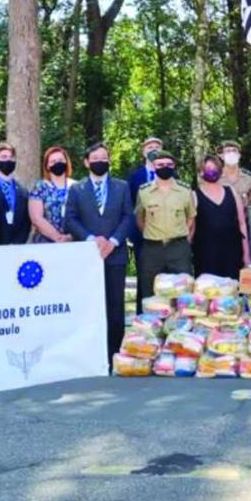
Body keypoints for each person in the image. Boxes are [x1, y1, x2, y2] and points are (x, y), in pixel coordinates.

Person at [64, 142, 136, 365]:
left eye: (104, 158)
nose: (99, 162)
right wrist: (90, 239)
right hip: (88, 257)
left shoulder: (121, 186)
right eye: (95, 158)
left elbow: (128, 217)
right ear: (86, 162)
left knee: (115, 307)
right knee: (90, 307)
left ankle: (114, 355)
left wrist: (113, 241)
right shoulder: (77, 189)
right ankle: (91, 355)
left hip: (115, 255)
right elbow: (71, 219)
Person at [134, 150, 195, 298]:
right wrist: (151, 234)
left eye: (169, 164)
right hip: (152, 248)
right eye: (160, 164)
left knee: (184, 292)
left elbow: (191, 218)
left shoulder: (185, 190)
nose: (165, 167)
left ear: (174, 166)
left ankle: (183, 321)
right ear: (154, 167)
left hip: (178, 247)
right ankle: (151, 321)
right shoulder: (144, 191)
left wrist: (185, 240)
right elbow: (140, 219)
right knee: (150, 291)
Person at [193, 153, 251, 279]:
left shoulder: (231, 191)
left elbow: (242, 223)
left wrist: (246, 256)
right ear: (201, 172)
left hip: (232, 252)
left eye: (215, 169)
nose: (212, 172)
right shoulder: (194, 196)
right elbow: (190, 227)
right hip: (206, 254)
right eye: (208, 169)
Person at [126, 136, 163, 311]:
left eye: (157, 146)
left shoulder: (172, 174)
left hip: (166, 235)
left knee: (166, 278)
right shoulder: (134, 177)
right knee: (144, 277)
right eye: (149, 146)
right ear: (143, 152)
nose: (153, 149)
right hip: (142, 236)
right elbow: (129, 206)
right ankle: (143, 318)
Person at [29, 146, 75, 244]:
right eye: (53, 161)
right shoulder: (40, 187)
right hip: (46, 243)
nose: (57, 163)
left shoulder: (76, 187)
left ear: (66, 162)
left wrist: (70, 237)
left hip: (73, 242)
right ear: (47, 166)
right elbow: (36, 218)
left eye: (60, 160)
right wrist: (58, 238)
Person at [0, 141, 31, 245]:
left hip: (16, 248)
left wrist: (17, 243)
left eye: (11, 157)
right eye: (4, 157)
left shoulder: (23, 191)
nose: (8, 160)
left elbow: (26, 223)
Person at [218, 140, 251, 208]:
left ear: (239, 155)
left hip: (243, 216)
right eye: (228, 151)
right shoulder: (215, 177)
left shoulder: (249, 178)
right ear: (221, 156)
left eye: (234, 151)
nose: (231, 153)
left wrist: (247, 202)